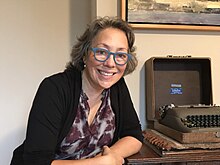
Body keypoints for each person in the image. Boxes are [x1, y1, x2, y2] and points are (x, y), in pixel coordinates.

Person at [11, 16, 143, 165]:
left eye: (120, 55)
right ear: (85, 54)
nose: (110, 63)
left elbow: (134, 136)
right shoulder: (54, 88)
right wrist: (99, 163)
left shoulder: (117, 87)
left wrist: (111, 155)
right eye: (101, 52)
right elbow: (36, 162)